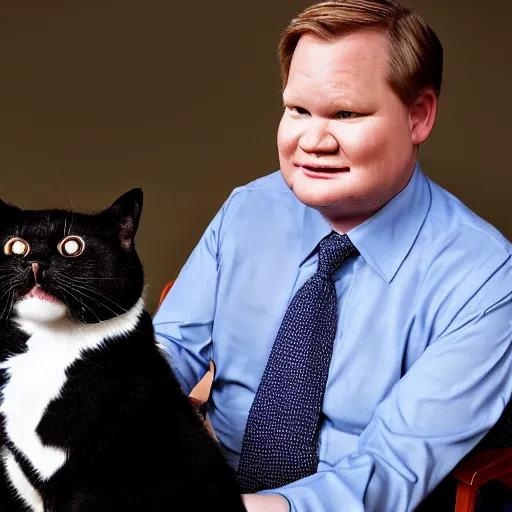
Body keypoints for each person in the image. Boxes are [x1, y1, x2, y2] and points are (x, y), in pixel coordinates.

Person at [153, 0, 512, 510]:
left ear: (419, 116)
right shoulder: (248, 209)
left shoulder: (485, 277)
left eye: (346, 113)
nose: (312, 141)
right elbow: (168, 351)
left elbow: (391, 470)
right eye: (298, 110)